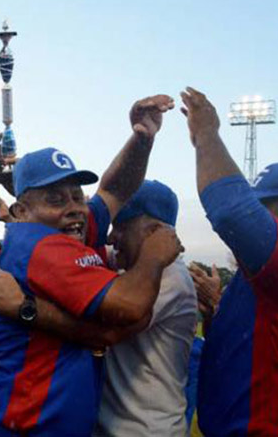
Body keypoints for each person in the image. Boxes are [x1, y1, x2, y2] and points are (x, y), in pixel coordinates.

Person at [0, 94, 184, 437]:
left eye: (77, 196)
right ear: (21, 212)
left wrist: (142, 139)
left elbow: (114, 190)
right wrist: (154, 254)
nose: (75, 208)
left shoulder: (60, 230)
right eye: (55, 199)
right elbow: (129, 306)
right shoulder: (44, 246)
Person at [181, 87, 278, 436]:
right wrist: (218, 311)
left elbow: (232, 212)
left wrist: (206, 134)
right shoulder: (274, 275)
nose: (256, 215)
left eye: (263, 208)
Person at [95, 180, 198, 436]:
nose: (111, 237)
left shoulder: (170, 277)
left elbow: (103, 332)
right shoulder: (132, 266)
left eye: (120, 226)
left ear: (154, 233)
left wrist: (24, 309)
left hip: (147, 430)